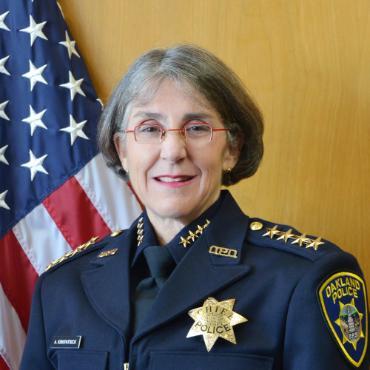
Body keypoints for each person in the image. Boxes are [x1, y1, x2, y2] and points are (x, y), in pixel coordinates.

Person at [21, 45, 369, 370]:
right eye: (150, 128)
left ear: (232, 148)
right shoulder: (62, 285)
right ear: (122, 150)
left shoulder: (303, 279)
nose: (173, 151)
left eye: (197, 127)